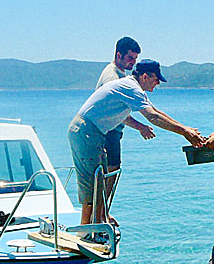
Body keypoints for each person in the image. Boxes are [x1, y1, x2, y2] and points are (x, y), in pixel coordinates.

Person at [68, 59, 204, 225]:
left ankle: (95, 224)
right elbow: (153, 117)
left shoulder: (132, 88)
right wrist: (184, 132)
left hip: (91, 132)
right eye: (156, 79)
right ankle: (88, 228)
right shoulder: (130, 87)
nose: (158, 83)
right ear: (145, 76)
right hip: (86, 131)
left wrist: (185, 128)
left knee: (99, 179)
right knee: (93, 181)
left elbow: (154, 112)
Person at [95, 37, 156, 179]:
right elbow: (122, 116)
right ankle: (100, 202)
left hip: (112, 132)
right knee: (109, 174)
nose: (133, 62)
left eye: (135, 58)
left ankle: (103, 201)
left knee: (112, 173)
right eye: (130, 58)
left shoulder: (121, 75)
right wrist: (141, 127)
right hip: (106, 133)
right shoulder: (112, 77)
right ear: (118, 55)